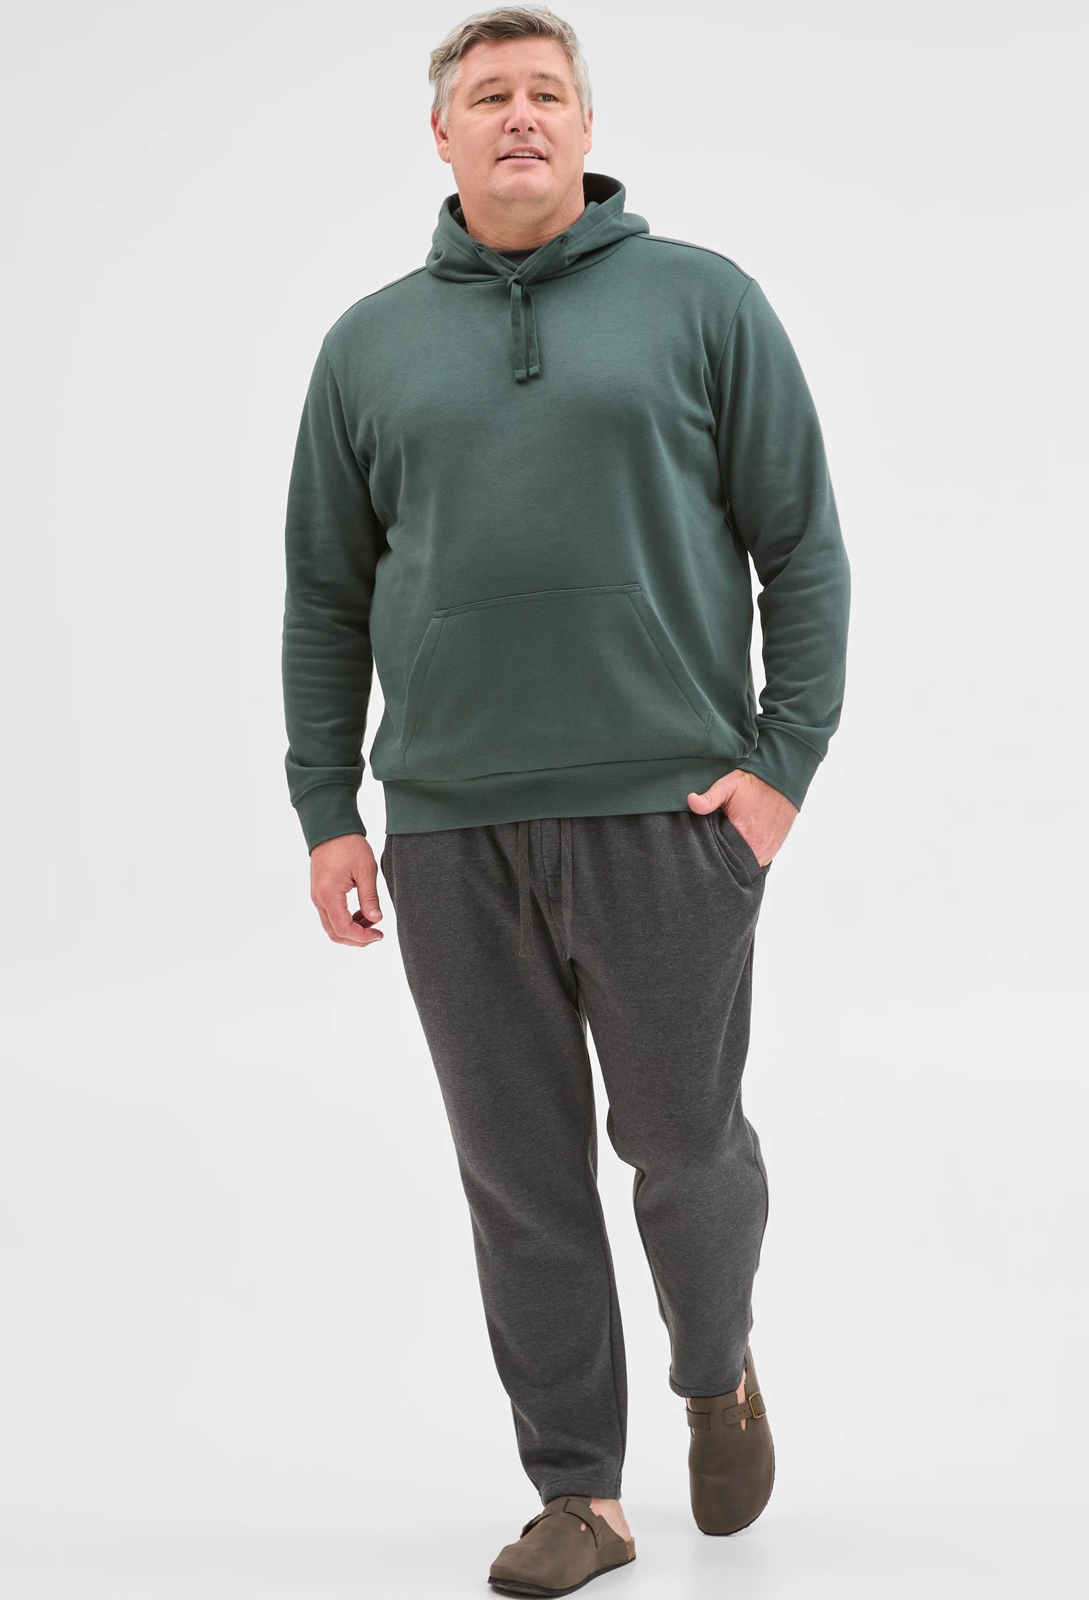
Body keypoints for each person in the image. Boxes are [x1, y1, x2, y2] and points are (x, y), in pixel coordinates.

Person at [280, 4, 850, 1592]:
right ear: (444, 135)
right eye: (489, 95)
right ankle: (578, 1494)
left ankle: (716, 1370)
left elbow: (801, 544)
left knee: (682, 1143)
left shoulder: (703, 301)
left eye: (546, 92)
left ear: (587, 130)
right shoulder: (369, 345)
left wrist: (780, 769)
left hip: (668, 815)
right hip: (449, 826)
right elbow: (324, 594)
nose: (519, 114)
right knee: (520, 1179)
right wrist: (328, 807)